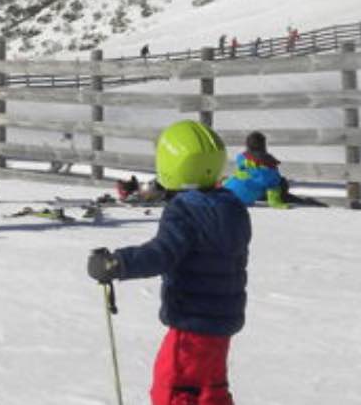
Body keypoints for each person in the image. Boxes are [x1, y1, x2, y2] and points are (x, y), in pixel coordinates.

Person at [87, 120, 250, 405]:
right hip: (221, 324)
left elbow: (161, 254)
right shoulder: (233, 208)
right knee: (209, 390)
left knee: (174, 390)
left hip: (191, 324)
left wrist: (117, 263)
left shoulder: (185, 211)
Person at [223, 131, 289, 208]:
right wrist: (277, 203)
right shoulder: (271, 169)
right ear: (264, 145)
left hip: (227, 193)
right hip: (245, 200)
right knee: (279, 182)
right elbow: (273, 188)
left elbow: (239, 173)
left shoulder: (241, 158)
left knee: (231, 179)